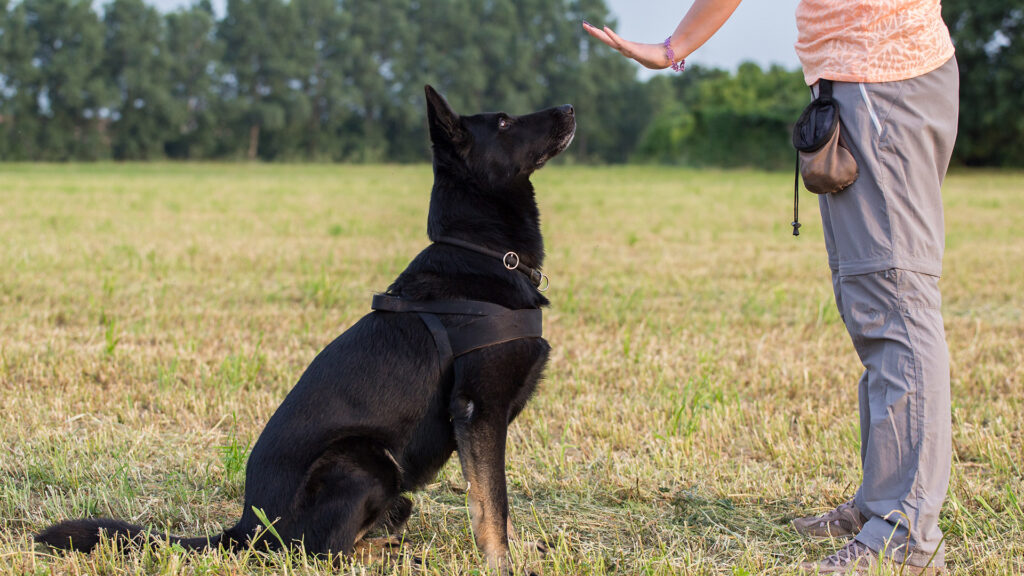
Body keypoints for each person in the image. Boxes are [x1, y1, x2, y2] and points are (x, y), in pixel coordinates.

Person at [584, 1, 958, 574]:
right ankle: (880, 504)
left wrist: (671, 48)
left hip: (883, 82)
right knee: (872, 305)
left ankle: (905, 534)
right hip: (864, 82)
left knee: (896, 306)